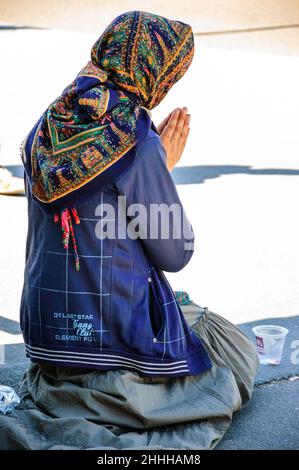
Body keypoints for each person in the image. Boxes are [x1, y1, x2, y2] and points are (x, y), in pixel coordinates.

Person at [0, 11, 258, 450]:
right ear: (149, 74)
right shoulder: (136, 140)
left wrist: (153, 166)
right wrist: (162, 166)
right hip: (111, 349)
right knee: (230, 348)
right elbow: (176, 252)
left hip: (46, 344)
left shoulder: (47, 124)